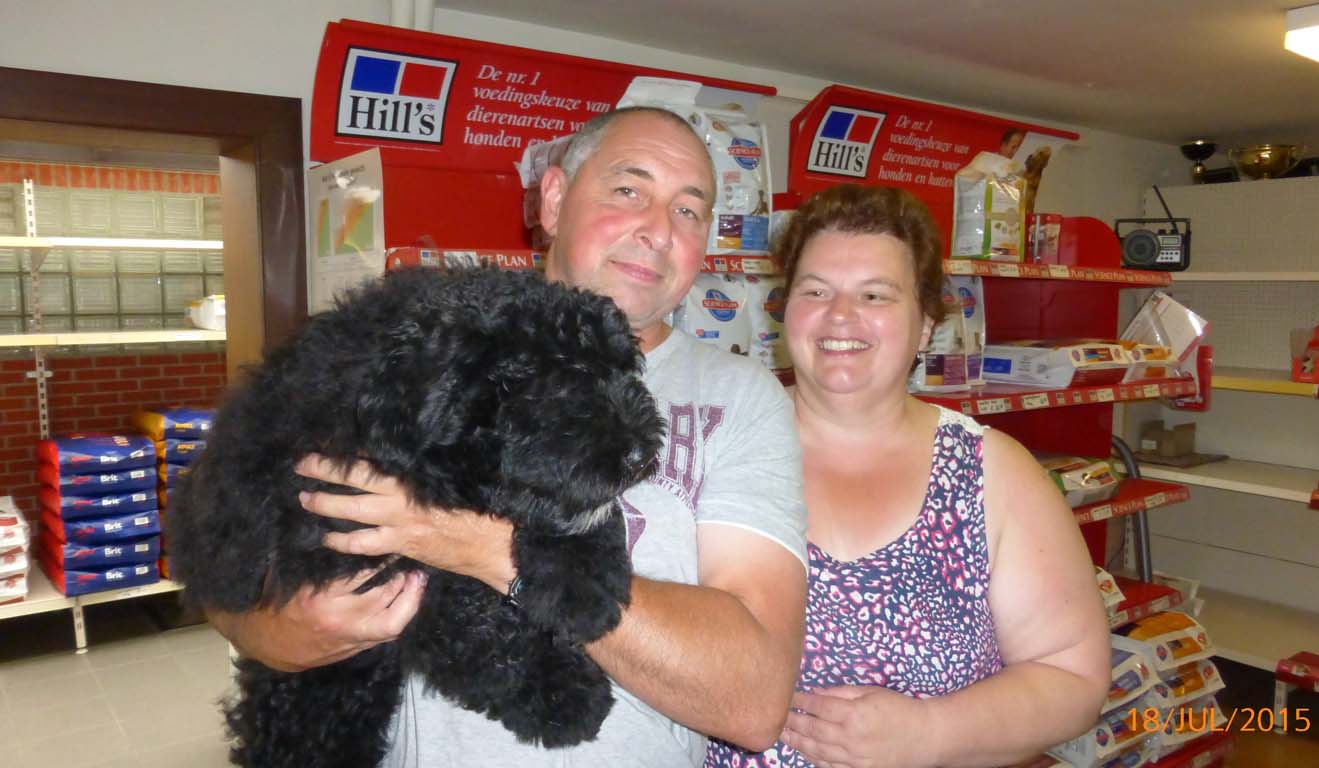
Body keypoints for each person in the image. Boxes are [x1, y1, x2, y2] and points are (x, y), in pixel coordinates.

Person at [206, 106, 809, 767]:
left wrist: (484, 549)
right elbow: (233, 547)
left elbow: (754, 703)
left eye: (688, 210)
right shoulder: (427, 346)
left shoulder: (742, 397)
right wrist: (277, 634)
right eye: (627, 189)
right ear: (553, 200)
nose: (659, 230)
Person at [705, 184, 1110, 768]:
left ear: (925, 325)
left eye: (875, 294)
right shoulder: (717, 451)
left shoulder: (991, 474)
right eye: (815, 290)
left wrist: (931, 732)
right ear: (785, 309)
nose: (840, 314)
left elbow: (1073, 677)